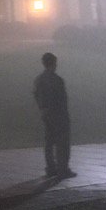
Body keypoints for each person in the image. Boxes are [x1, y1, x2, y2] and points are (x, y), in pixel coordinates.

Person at [32, 52, 75, 180]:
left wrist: (43, 108)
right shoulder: (57, 80)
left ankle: (51, 168)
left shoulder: (38, 79)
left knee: (49, 142)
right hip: (59, 115)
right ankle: (63, 169)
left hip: (46, 114)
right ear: (54, 63)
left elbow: (35, 95)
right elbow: (61, 99)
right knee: (62, 143)